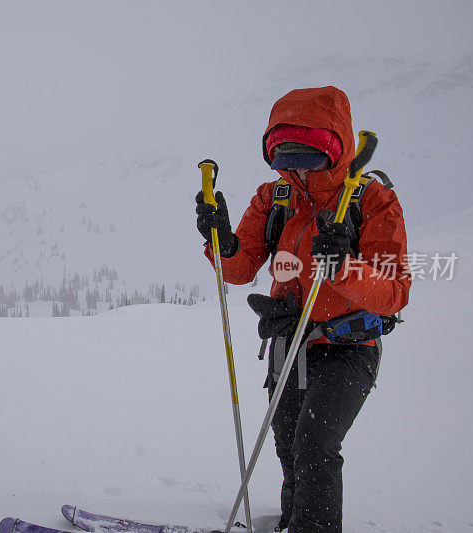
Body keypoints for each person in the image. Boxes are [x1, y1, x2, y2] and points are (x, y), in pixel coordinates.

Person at [195, 86, 410, 532]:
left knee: (315, 446)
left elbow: (395, 291)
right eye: (283, 157)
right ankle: (294, 522)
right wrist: (222, 243)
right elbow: (238, 270)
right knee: (289, 446)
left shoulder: (371, 201)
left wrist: (343, 269)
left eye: (309, 157)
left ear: (337, 150)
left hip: (349, 348)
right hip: (288, 343)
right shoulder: (275, 197)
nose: (295, 168)